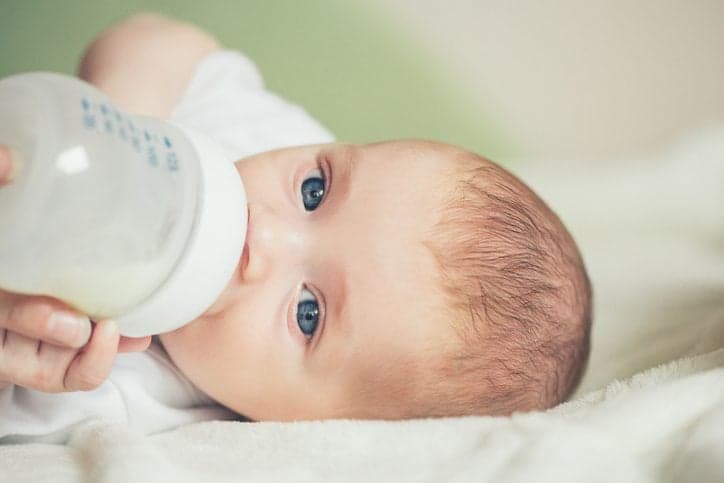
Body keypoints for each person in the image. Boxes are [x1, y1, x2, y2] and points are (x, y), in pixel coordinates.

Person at [0, 13, 592, 442]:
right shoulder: (261, 138)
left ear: (305, 424)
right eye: (316, 190)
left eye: (308, 313)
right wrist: (127, 121)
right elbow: (157, 39)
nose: (262, 236)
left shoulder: (124, 393)